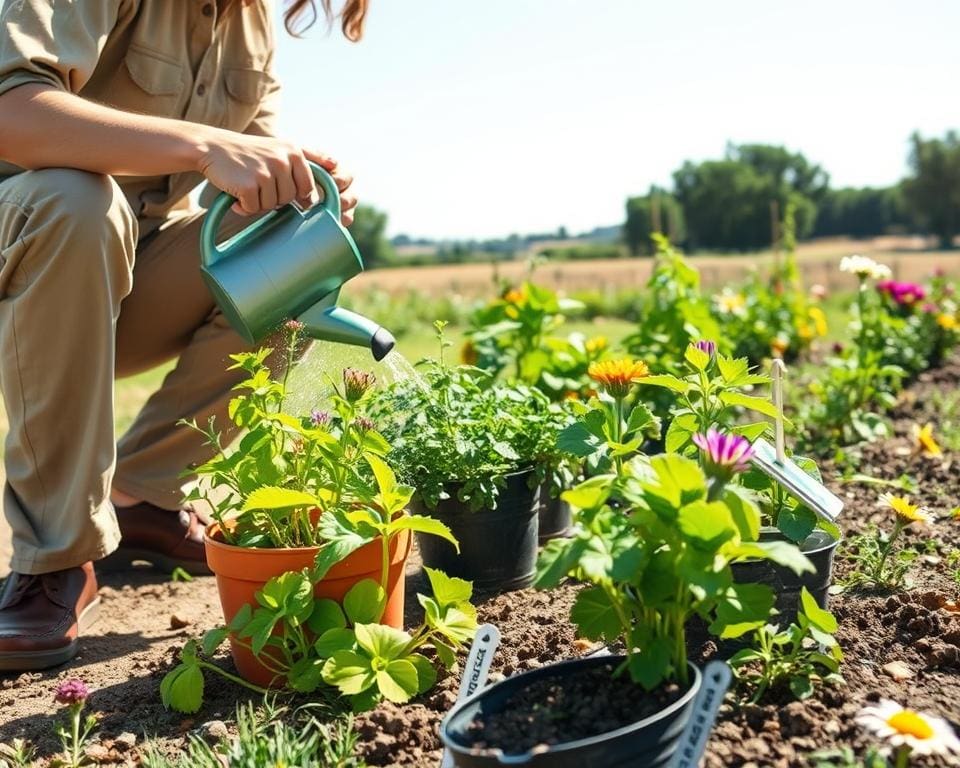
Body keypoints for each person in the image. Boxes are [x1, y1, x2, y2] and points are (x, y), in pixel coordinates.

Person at [0, 0, 366, 672]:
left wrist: (298, 188)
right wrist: (204, 145)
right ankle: (54, 558)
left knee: (290, 246)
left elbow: (252, 186)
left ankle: (142, 493)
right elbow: (13, 114)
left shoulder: (247, 22)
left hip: (115, 277)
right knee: (75, 201)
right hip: (28, 257)